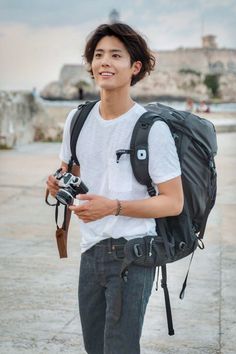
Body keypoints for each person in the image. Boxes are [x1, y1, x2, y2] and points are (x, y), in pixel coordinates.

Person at [46, 23, 183, 354]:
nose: (104, 62)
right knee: (95, 349)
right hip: (90, 252)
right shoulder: (77, 120)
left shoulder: (152, 129)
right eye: (98, 55)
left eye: (115, 55)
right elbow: (71, 175)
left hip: (133, 255)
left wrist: (114, 206)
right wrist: (56, 186)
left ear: (135, 68)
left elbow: (173, 202)